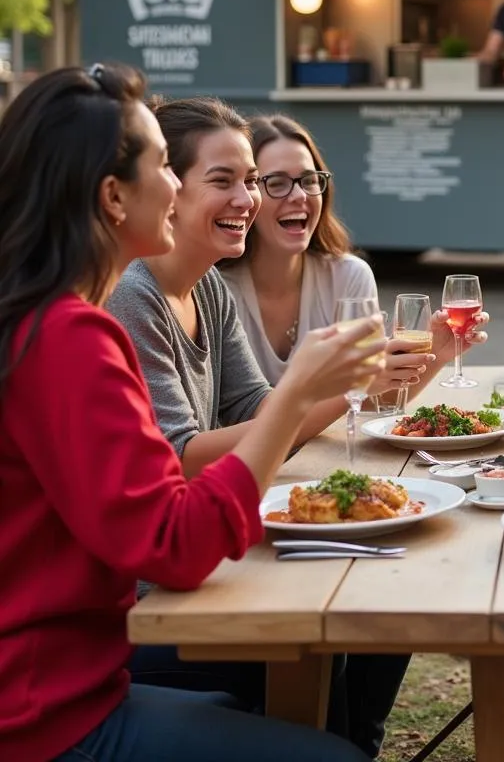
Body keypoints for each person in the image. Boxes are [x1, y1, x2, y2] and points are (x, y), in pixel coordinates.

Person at [0, 63, 384, 762]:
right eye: (163, 167)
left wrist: (313, 391)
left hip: (75, 688)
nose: (176, 185)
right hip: (48, 721)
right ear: (114, 196)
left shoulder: (47, 320)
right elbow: (174, 548)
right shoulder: (71, 336)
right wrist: (297, 392)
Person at [104, 97, 409, 757]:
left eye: (249, 180)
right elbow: (182, 456)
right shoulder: (132, 297)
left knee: (390, 580)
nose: (249, 198)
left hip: (204, 568)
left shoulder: (206, 287)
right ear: (170, 188)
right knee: (352, 620)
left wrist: (353, 382)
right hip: (149, 606)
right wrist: (312, 388)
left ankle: (354, 742)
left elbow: (255, 412)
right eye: (226, 181)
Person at [219, 113, 488, 399]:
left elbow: (371, 399)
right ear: (248, 194)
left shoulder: (349, 277)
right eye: (276, 183)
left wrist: (438, 353)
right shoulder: (216, 289)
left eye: (309, 180)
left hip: (331, 445)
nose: (299, 196)